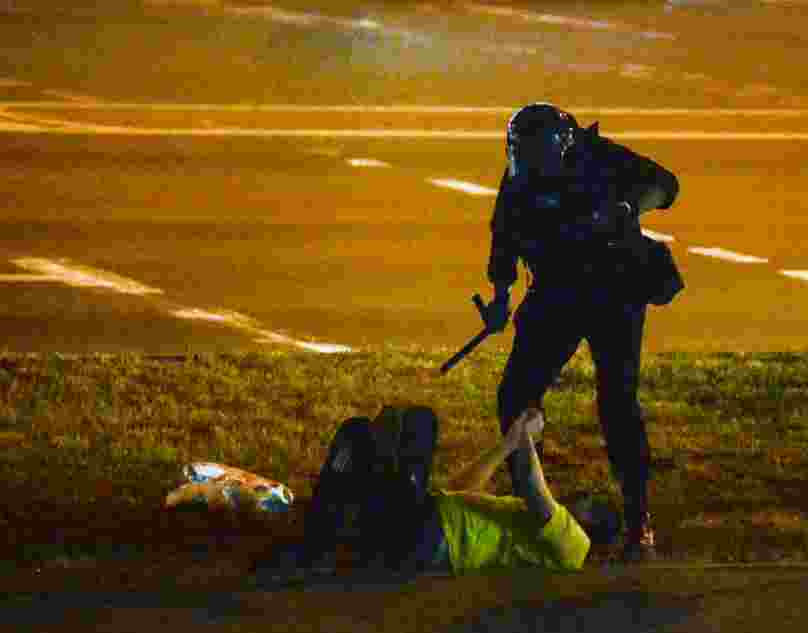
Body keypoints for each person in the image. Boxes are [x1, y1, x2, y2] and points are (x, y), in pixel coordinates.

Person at [478, 102, 681, 562]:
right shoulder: (520, 176)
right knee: (514, 395)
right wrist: (500, 298)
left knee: (617, 403)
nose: (526, 167)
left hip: (614, 292)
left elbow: (667, 186)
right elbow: (504, 236)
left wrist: (629, 207)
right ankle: (533, 507)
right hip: (557, 294)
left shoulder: (602, 157)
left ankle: (638, 520)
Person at [252, 406, 621, 578]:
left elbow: (531, 484)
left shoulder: (576, 545)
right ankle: (319, 543)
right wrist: (508, 444)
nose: (579, 494)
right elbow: (458, 490)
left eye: (589, 499)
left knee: (419, 424)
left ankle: (321, 545)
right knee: (356, 433)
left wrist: (525, 431)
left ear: (593, 519)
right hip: (423, 522)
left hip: (428, 538)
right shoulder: (533, 526)